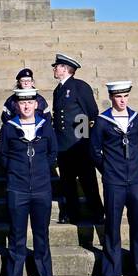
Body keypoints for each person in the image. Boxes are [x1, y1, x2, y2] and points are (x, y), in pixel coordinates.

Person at [91, 81, 138, 276]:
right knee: (112, 225)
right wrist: (109, 169)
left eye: (125, 96)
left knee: (137, 225)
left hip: (136, 181)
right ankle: (110, 271)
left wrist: (136, 166)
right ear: (111, 97)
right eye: (118, 97)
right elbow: (94, 151)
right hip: (114, 182)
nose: (122, 100)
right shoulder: (102, 121)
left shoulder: (137, 119)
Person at [0, 87, 60, 276]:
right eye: (22, 103)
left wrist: (40, 170)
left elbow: (52, 153)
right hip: (18, 188)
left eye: (30, 102)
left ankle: (45, 273)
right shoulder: (9, 128)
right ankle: (13, 274)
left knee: (42, 232)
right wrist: (16, 171)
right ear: (16, 105)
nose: (26, 106)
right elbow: (2, 154)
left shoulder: (45, 126)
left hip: (41, 188)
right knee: (17, 233)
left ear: (36, 105)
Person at [51, 53, 102, 223]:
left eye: (56, 66)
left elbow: (91, 114)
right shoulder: (58, 89)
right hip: (63, 145)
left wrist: (83, 138)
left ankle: (97, 212)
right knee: (67, 182)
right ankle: (72, 213)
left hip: (79, 144)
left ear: (65, 69)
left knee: (88, 181)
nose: (54, 68)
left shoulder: (80, 86)